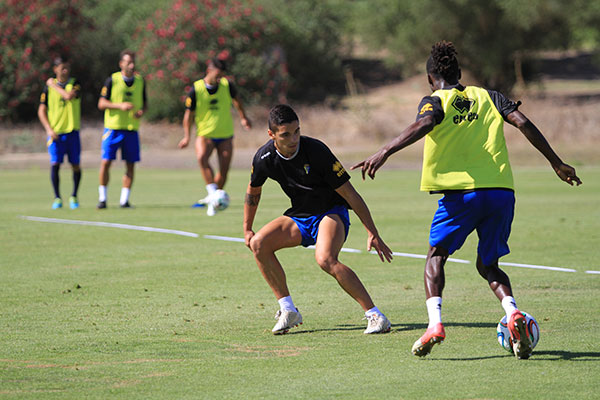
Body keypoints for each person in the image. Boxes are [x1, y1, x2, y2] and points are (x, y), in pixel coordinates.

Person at [353, 41, 582, 359]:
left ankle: (435, 325)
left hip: (461, 196)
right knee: (488, 264)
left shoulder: (434, 100)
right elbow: (524, 123)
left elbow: (425, 123)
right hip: (501, 193)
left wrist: (384, 150)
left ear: (431, 78)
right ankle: (513, 312)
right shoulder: (490, 96)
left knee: (436, 256)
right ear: (459, 73)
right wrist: (556, 162)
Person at [244, 104, 393, 335]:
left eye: (297, 131)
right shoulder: (264, 157)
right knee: (258, 244)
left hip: (331, 212)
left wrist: (372, 232)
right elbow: (253, 191)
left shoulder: (316, 151)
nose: (294, 139)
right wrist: (247, 229)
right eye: (286, 135)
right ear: (271, 135)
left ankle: (375, 315)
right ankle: (288, 310)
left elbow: (351, 194)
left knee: (325, 259)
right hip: (300, 216)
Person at [178, 57, 251, 216]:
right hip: (205, 134)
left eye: (222, 75)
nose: (219, 78)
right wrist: (186, 137)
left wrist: (243, 117)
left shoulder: (227, 85)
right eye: (217, 75)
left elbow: (237, 102)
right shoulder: (196, 89)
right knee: (202, 158)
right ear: (209, 71)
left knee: (224, 171)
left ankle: (214, 201)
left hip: (225, 134)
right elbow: (188, 116)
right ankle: (213, 195)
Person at [97, 49, 147, 209]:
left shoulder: (140, 81)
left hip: (131, 129)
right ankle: (102, 198)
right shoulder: (112, 80)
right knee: (106, 162)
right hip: (113, 128)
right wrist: (120, 106)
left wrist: (141, 112)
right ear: (121, 64)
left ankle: (124, 200)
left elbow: (145, 104)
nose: (131, 65)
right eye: (128, 62)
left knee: (130, 165)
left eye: (133, 62)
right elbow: (101, 104)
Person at [37, 56, 82, 209]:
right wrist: (49, 129)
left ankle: (74, 196)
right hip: (56, 133)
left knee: (75, 165)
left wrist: (53, 85)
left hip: (72, 132)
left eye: (67, 68)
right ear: (55, 69)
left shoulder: (74, 84)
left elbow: (69, 96)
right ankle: (57, 198)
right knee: (55, 164)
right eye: (62, 67)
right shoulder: (47, 89)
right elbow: (41, 110)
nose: (65, 70)